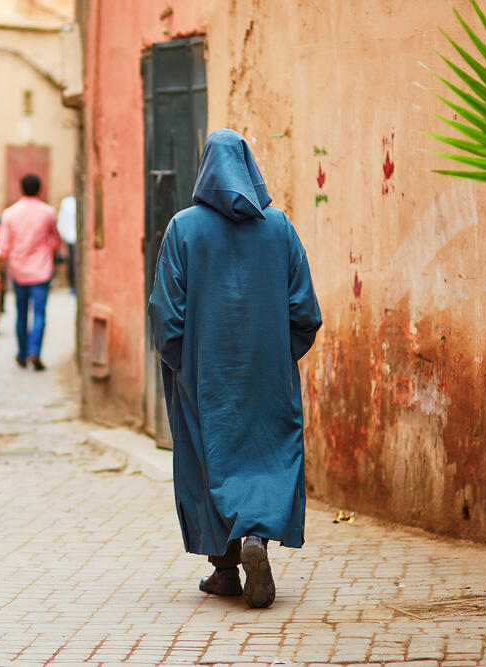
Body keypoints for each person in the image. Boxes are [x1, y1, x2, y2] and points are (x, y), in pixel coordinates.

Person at [147, 129, 321, 609]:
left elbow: (166, 313)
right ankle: (256, 541)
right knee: (266, 455)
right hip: (268, 374)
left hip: (206, 376)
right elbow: (305, 309)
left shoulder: (183, 228)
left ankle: (224, 569)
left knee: (210, 458)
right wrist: (277, 357)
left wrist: (185, 366)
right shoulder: (280, 227)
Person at [0, 174, 60, 371]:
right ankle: (35, 351)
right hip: (41, 271)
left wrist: (0, 273)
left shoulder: (9, 214)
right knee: (39, 313)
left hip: (19, 271)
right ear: (40, 189)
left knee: (21, 313)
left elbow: (3, 248)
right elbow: (55, 242)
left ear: (21, 188)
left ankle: (22, 353)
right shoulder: (48, 212)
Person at [56, 195, 77, 292]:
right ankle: (73, 285)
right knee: (72, 262)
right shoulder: (67, 202)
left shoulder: (68, 202)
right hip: (71, 237)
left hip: (72, 236)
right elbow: (63, 221)